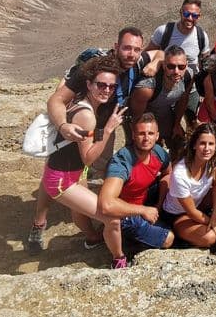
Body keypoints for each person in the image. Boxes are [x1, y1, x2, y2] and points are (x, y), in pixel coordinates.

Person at [27, 27, 162, 252]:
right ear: (116, 46)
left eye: (136, 49)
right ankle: (39, 222)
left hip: (102, 124)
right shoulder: (93, 69)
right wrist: (63, 125)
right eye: (127, 48)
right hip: (83, 122)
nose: (131, 54)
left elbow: (160, 53)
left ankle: (89, 231)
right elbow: (56, 100)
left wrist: (155, 63)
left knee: (86, 168)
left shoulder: (136, 63)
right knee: (64, 166)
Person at [26, 56, 129, 262]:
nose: (107, 90)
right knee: (112, 219)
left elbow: (87, 144)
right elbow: (89, 158)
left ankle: (91, 237)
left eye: (111, 86)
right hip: (62, 180)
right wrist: (108, 129)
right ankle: (119, 260)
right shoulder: (86, 115)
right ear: (89, 84)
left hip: (68, 171)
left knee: (79, 210)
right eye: (101, 85)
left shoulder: (83, 102)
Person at [99, 113, 175, 268]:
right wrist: (143, 210)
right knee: (169, 238)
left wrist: (159, 204)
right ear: (133, 135)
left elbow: (168, 173)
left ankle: (141, 234)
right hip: (125, 213)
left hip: (145, 198)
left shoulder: (158, 152)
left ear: (157, 135)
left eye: (150, 133)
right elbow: (106, 204)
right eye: (141, 133)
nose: (146, 138)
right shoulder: (122, 161)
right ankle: (126, 243)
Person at [160, 122, 216, 248]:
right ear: (194, 145)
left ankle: (213, 227)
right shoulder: (180, 174)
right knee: (209, 237)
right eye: (202, 143)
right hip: (179, 214)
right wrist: (212, 221)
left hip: (199, 202)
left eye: (211, 144)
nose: (207, 148)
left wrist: (215, 214)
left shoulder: (214, 158)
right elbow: (191, 212)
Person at [146, 0, 211, 124]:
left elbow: (206, 62)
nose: (190, 18)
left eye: (194, 15)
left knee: (191, 122)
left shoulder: (201, 36)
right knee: (158, 123)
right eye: (187, 14)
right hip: (164, 89)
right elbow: (147, 54)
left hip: (189, 88)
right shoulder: (164, 31)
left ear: (199, 16)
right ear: (180, 12)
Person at [130, 45, 193, 156]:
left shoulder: (188, 76)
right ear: (163, 65)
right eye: (171, 66)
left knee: (180, 143)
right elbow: (136, 118)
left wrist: (177, 124)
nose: (176, 71)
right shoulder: (147, 87)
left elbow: (183, 99)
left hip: (164, 110)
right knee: (147, 148)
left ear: (186, 65)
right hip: (143, 113)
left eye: (181, 67)